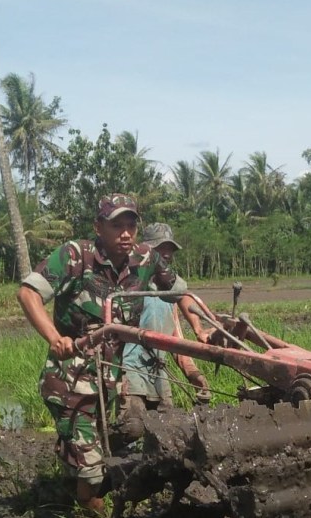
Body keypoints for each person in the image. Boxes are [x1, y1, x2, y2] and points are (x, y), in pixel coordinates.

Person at [17, 193, 184, 515]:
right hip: (71, 381)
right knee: (93, 471)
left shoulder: (145, 258)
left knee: (101, 446)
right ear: (98, 227)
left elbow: (180, 292)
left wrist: (203, 325)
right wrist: (55, 339)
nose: (125, 233)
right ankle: (90, 505)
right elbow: (28, 293)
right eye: (116, 225)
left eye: (131, 225)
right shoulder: (75, 256)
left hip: (109, 380)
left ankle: (72, 464)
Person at [116, 223, 211, 442]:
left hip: (158, 374)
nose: (167, 254)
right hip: (129, 370)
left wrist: (193, 374)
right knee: (133, 427)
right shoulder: (131, 285)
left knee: (168, 429)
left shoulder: (170, 293)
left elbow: (176, 340)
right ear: (147, 252)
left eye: (170, 249)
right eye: (160, 249)